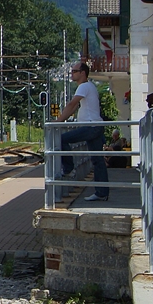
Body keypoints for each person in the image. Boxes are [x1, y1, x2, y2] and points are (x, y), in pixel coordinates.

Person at [56, 62, 108, 201]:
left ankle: (69, 168)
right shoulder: (89, 86)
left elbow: (72, 104)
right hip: (95, 126)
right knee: (97, 160)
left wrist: (59, 121)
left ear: (82, 73)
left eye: (74, 71)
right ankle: (101, 193)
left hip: (90, 127)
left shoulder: (84, 86)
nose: (72, 73)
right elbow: (74, 107)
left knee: (62, 139)